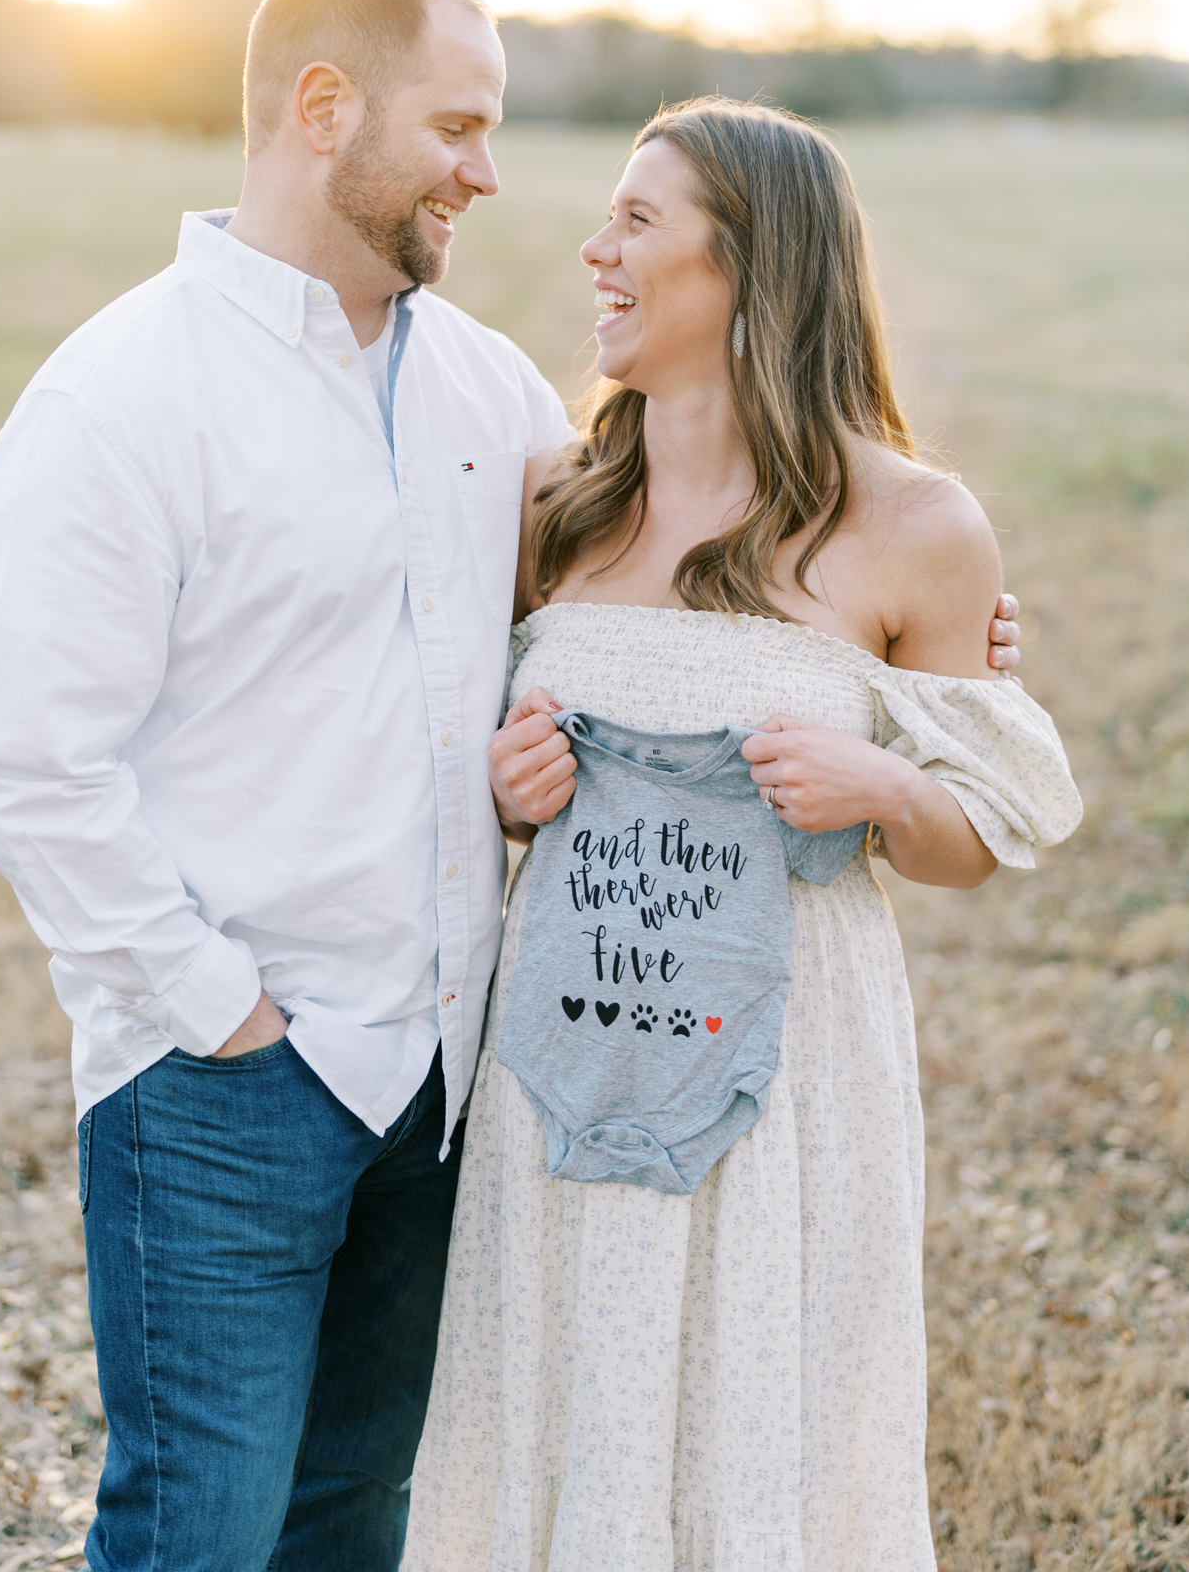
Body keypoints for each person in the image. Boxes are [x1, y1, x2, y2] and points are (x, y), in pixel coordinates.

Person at [0, 0, 1021, 1572]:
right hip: (227, 1075)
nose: (489, 174)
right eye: (457, 125)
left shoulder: (488, 400)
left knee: (355, 1520)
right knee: (198, 1532)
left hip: (451, 1079)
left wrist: (918, 679)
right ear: (322, 110)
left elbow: (622, 643)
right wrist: (218, 1012)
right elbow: (24, 765)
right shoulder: (122, 397)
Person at [403, 97, 1081, 1572]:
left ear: (752, 267)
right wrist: (513, 795)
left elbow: (977, 836)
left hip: (784, 1080)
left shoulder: (912, 524)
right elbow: (476, 773)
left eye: (637, 221)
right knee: (561, 1408)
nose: (593, 248)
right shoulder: (554, 507)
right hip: (564, 1065)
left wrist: (886, 787)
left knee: (760, 1423)